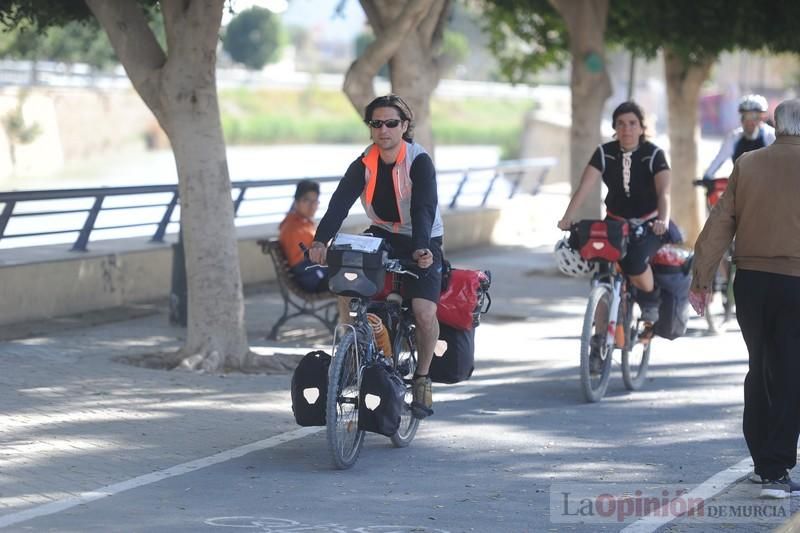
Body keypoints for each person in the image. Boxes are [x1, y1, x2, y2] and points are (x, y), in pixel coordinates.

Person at [308, 94, 443, 419]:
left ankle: (422, 376)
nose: (384, 130)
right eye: (376, 123)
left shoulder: (418, 161)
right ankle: (349, 350)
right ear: (370, 128)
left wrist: (422, 247)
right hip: (382, 233)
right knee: (344, 281)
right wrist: (320, 241)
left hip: (422, 237)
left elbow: (424, 208)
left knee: (424, 313)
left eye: (391, 123)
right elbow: (339, 203)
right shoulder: (364, 163)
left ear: (404, 126)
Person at [690, 98, 800, 499]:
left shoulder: (748, 164)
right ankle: (776, 468)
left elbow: (720, 222)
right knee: (790, 371)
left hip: (751, 282)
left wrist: (701, 277)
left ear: (775, 124)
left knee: (761, 366)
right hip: (795, 282)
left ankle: (762, 465)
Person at [557, 101, 671, 343]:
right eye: (620, 124)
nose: (626, 129)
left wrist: (663, 220)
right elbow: (584, 188)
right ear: (614, 128)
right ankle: (599, 339)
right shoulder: (604, 152)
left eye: (632, 123)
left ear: (641, 127)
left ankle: (650, 301)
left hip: (649, 223)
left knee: (635, 262)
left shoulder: (654, 155)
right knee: (601, 274)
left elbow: (664, 193)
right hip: (614, 222)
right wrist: (567, 217)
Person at [702, 94, 775, 180]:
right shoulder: (734, 138)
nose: (749, 121)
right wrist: (706, 177)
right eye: (744, 116)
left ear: (762, 117)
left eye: (754, 116)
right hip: (741, 187)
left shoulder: (771, 136)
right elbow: (718, 160)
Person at [278, 180, 328, 293]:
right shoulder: (293, 227)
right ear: (296, 202)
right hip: (311, 278)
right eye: (307, 200)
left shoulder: (302, 224)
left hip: (312, 273)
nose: (312, 206)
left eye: (315, 201)